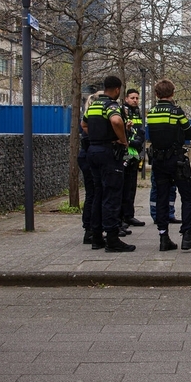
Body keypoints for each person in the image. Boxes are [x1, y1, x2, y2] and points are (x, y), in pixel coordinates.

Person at [147, 79, 191, 252]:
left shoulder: (151, 112)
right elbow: (189, 133)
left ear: (156, 94)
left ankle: (163, 237)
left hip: (158, 161)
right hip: (176, 160)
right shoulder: (176, 112)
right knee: (188, 196)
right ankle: (187, 236)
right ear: (172, 93)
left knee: (162, 197)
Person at [82, 75, 134, 252]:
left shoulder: (94, 106)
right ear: (117, 89)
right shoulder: (111, 106)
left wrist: (97, 136)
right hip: (108, 153)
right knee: (112, 195)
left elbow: (84, 125)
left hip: (93, 151)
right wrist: (123, 140)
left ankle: (96, 236)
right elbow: (116, 120)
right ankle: (112, 239)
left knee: (98, 194)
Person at [120, 88, 146, 229]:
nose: (135, 100)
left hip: (134, 152)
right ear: (126, 99)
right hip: (126, 152)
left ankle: (129, 215)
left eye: (137, 98)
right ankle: (122, 217)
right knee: (124, 186)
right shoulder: (122, 111)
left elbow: (140, 133)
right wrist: (131, 141)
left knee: (131, 186)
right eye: (132, 98)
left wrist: (137, 142)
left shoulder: (137, 112)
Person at [77, 88, 99, 245]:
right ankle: (90, 229)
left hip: (86, 156)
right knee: (93, 193)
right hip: (89, 157)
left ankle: (90, 227)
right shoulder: (92, 119)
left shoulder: (88, 117)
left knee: (92, 193)